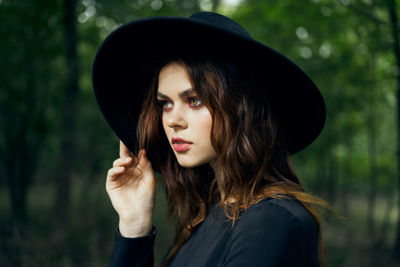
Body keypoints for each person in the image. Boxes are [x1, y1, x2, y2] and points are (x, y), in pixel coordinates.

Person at [92, 11, 329, 267]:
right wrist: (134, 225)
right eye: (166, 104)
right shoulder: (207, 217)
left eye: (194, 100)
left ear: (241, 109)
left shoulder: (272, 221)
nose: (173, 120)